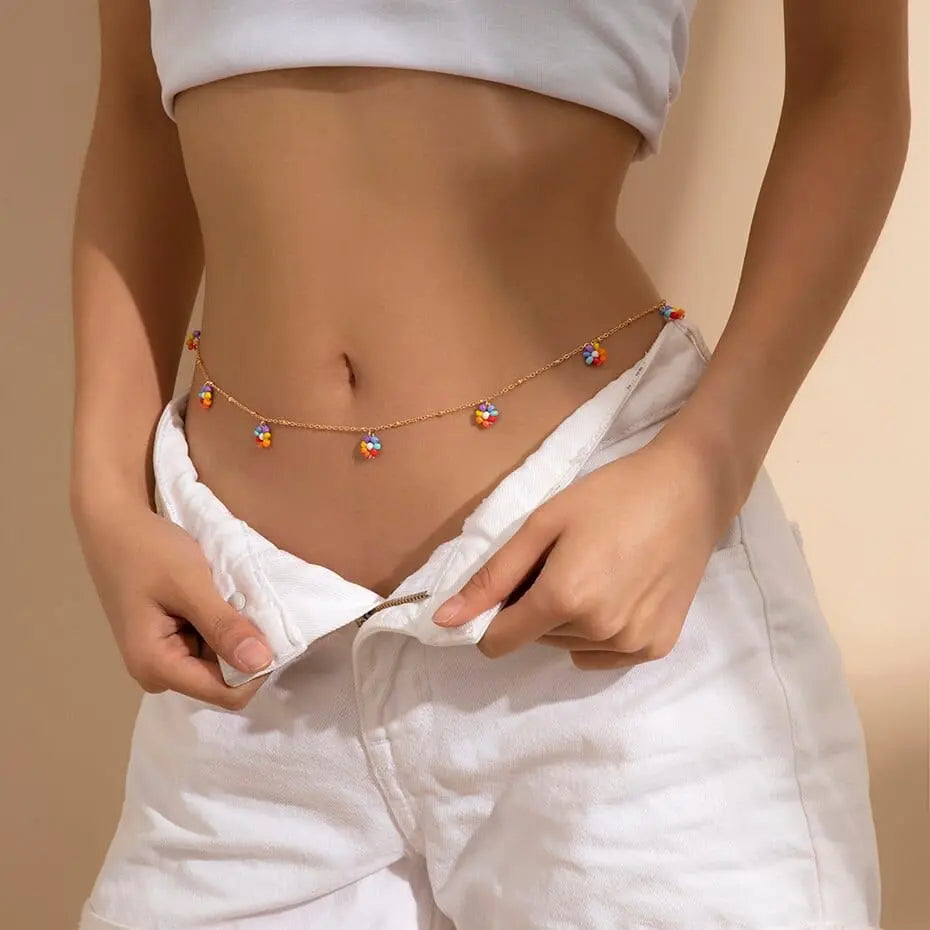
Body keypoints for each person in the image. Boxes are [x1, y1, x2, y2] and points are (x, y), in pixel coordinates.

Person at [70, 1, 909, 928]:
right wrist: (106, 496)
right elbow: (139, 111)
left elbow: (851, 80)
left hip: (599, 630)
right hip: (248, 651)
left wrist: (705, 467)